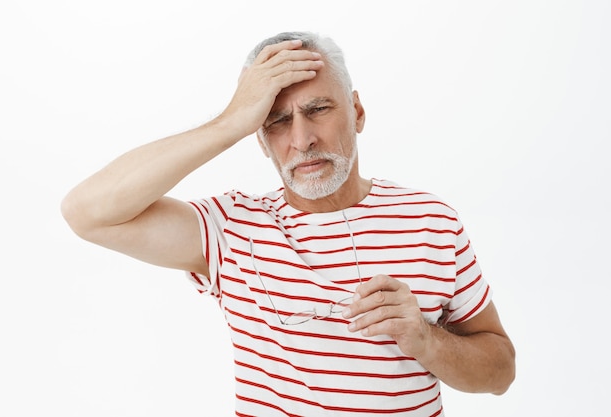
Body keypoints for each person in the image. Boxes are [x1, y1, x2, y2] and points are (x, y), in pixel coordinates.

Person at [61, 31, 515, 416]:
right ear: (259, 139)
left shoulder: (430, 220)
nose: (302, 140)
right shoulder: (232, 228)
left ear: (356, 112)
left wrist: (427, 340)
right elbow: (87, 212)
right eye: (276, 121)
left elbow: (500, 371)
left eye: (318, 109)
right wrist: (231, 121)